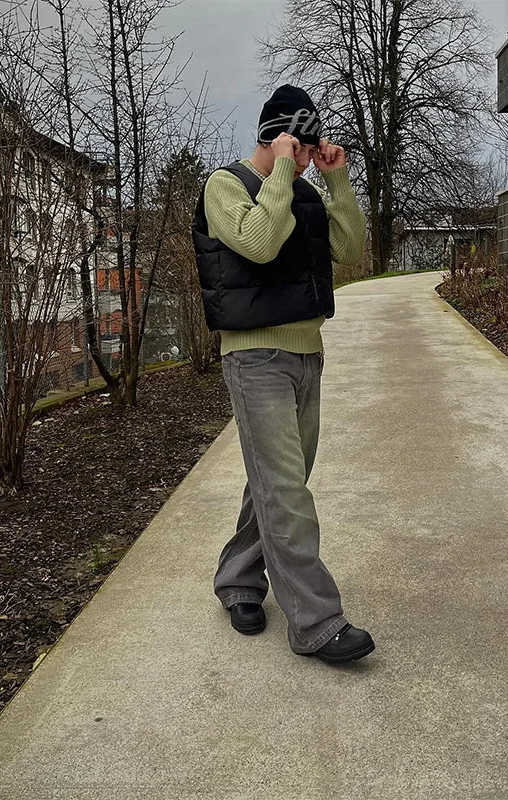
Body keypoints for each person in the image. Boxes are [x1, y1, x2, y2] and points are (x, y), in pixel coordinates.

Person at [192, 84, 374, 664]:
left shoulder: (305, 193)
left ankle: (240, 580)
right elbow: (259, 243)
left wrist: (337, 179)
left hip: (305, 353)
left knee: (277, 481)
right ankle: (316, 622)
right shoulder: (225, 186)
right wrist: (280, 173)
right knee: (287, 489)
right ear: (274, 138)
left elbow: (351, 251)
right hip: (253, 359)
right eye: (297, 146)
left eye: (307, 148)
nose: (303, 160)